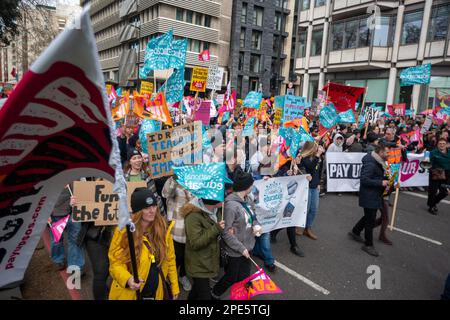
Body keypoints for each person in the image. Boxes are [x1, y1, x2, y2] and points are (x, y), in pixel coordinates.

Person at [108, 188, 179, 300]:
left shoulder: (163, 230)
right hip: (131, 294)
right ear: (138, 211)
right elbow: (115, 263)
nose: (152, 211)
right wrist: (128, 279)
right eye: (147, 208)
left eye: (154, 206)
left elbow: (170, 259)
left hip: (157, 293)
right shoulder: (124, 232)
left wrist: (175, 286)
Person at [212, 168, 262, 299]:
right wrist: (241, 248)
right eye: (251, 184)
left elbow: (254, 217)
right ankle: (214, 294)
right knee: (231, 277)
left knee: (245, 276)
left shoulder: (248, 200)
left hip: (248, 247)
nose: (253, 186)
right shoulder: (230, 206)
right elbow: (226, 233)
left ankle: (244, 297)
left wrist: (256, 226)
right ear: (246, 187)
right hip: (235, 251)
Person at [348, 143, 391, 257]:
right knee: (370, 220)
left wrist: (387, 179)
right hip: (369, 195)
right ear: (380, 152)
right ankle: (368, 245)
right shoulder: (371, 163)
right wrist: (381, 182)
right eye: (387, 152)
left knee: (368, 216)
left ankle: (355, 231)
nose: (389, 154)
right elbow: (364, 179)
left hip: (374, 195)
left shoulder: (378, 161)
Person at [182, 197, 225, 300]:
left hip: (208, 260)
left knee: (197, 290)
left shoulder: (216, 210)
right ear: (213, 200)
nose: (224, 200)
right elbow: (195, 243)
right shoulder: (193, 216)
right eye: (222, 197)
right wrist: (217, 228)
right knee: (204, 295)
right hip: (198, 264)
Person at [162, 176, 193, 292]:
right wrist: (174, 179)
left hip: (191, 227)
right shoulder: (172, 179)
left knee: (187, 256)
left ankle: (182, 276)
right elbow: (165, 193)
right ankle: (170, 277)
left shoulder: (196, 178)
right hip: (176, 228)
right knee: (175, 256)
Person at [49, 185, 85, 272]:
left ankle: (76, 267)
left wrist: (80, 199)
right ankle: (58, 260)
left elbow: (83, 188)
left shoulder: (75, 173)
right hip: (55, 214)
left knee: (76, 239)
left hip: (74, 211)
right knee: (57, 240)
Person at [124, 148, 166, 216]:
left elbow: (154, 196)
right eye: (134, 158)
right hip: (132, 216)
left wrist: (162, 215)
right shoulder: (124, 179)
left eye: (139, 157)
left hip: (148, 215)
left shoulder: (147, 177)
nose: (137, 160)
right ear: (129, 162)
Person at [298, 141, 325, 240]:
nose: (317, 149)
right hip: (306, 186)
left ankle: (308, 228)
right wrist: (317, 155)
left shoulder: (318, 158)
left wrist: (318, 183)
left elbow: (319, 170)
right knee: (305, 208)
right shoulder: (303, 157)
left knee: (314, 209)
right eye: (315, 147)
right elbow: (310, 167)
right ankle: (299, 226)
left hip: (314, 186)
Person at [427, 138, 450, 214]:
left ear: (446, 145)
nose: (442, 145)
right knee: (433, 191)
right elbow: (429, 163)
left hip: (446, 175)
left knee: (444, 192)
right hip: (436, 173)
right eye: (440, 143)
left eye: (443, 143)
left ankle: (433, 203)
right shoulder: (433, 152)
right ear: (437, 145)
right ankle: (431, 207)